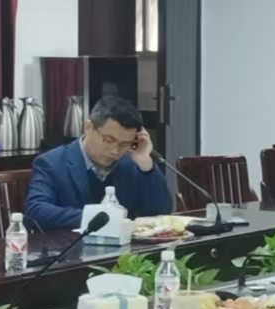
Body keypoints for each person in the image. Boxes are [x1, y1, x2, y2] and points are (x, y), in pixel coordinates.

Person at [25, 95, 175, 230]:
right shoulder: (52, 163)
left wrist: (146, 165)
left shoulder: (131, 163)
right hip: (71, 248)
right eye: (109, 140)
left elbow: (161, 212)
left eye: (124, 144)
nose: (115, 151)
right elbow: (36, 211)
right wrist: (98, 218)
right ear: (88, 128)